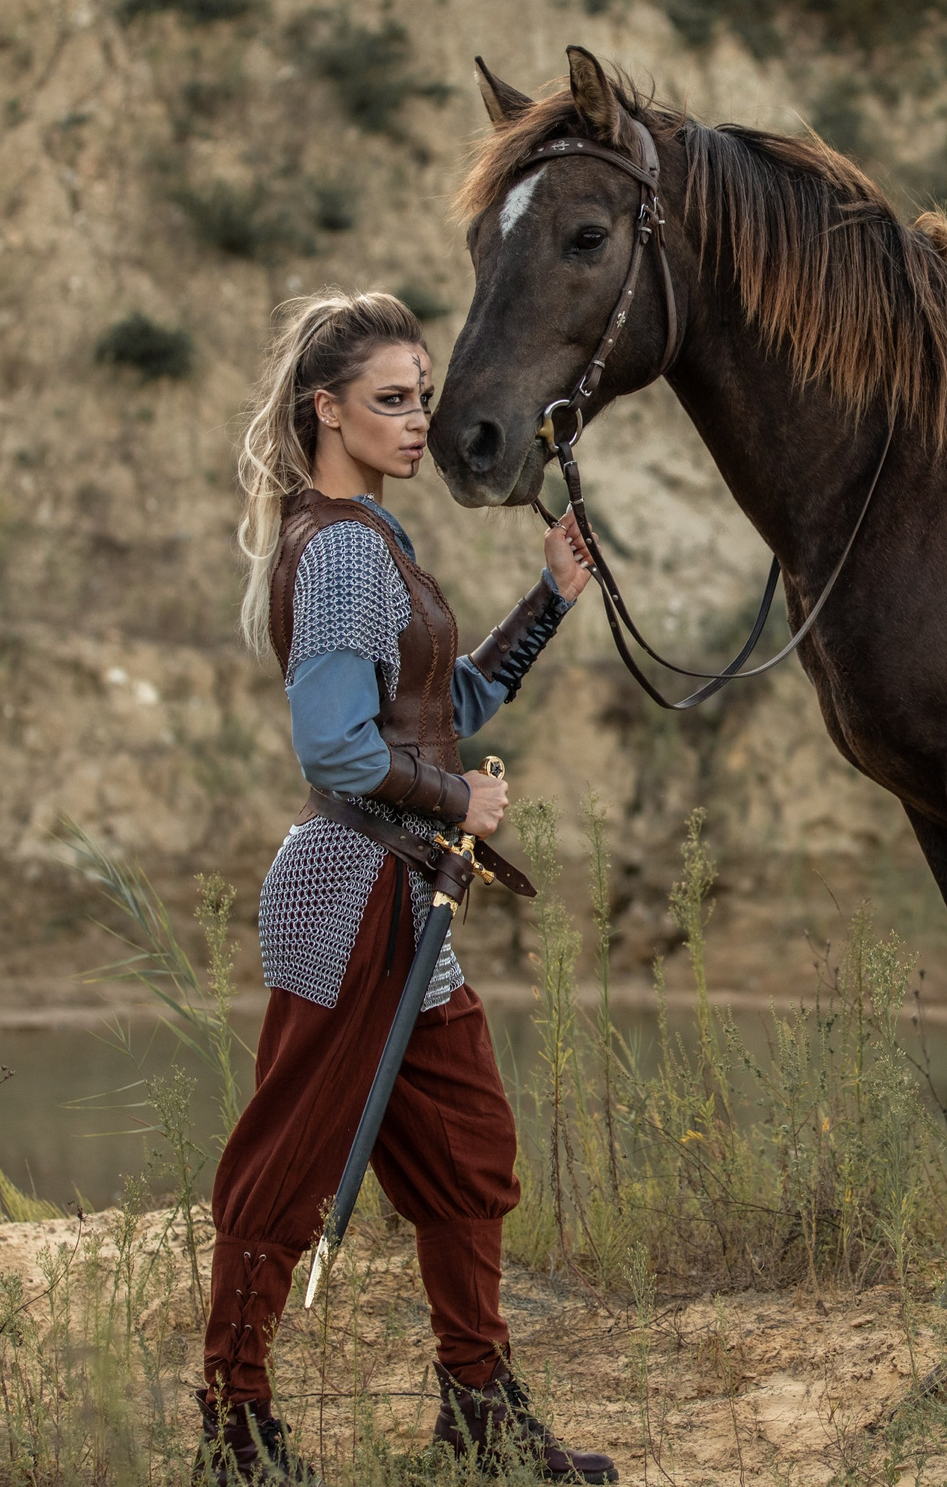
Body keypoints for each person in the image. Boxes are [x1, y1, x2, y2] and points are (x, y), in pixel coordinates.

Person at [208, 290, 617, 1484]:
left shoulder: (377, 541)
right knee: (287, 1166)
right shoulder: (336, 548)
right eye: (390, 400)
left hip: (403, 904)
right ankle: (232, 1431)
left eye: (422, 398)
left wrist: (548, 600)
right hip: (353, 894)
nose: (415, 419)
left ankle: (481, 1412)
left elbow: (449, 715)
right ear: (324, 409)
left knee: (467, 1154)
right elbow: (337, 750)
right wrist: (457, 806)